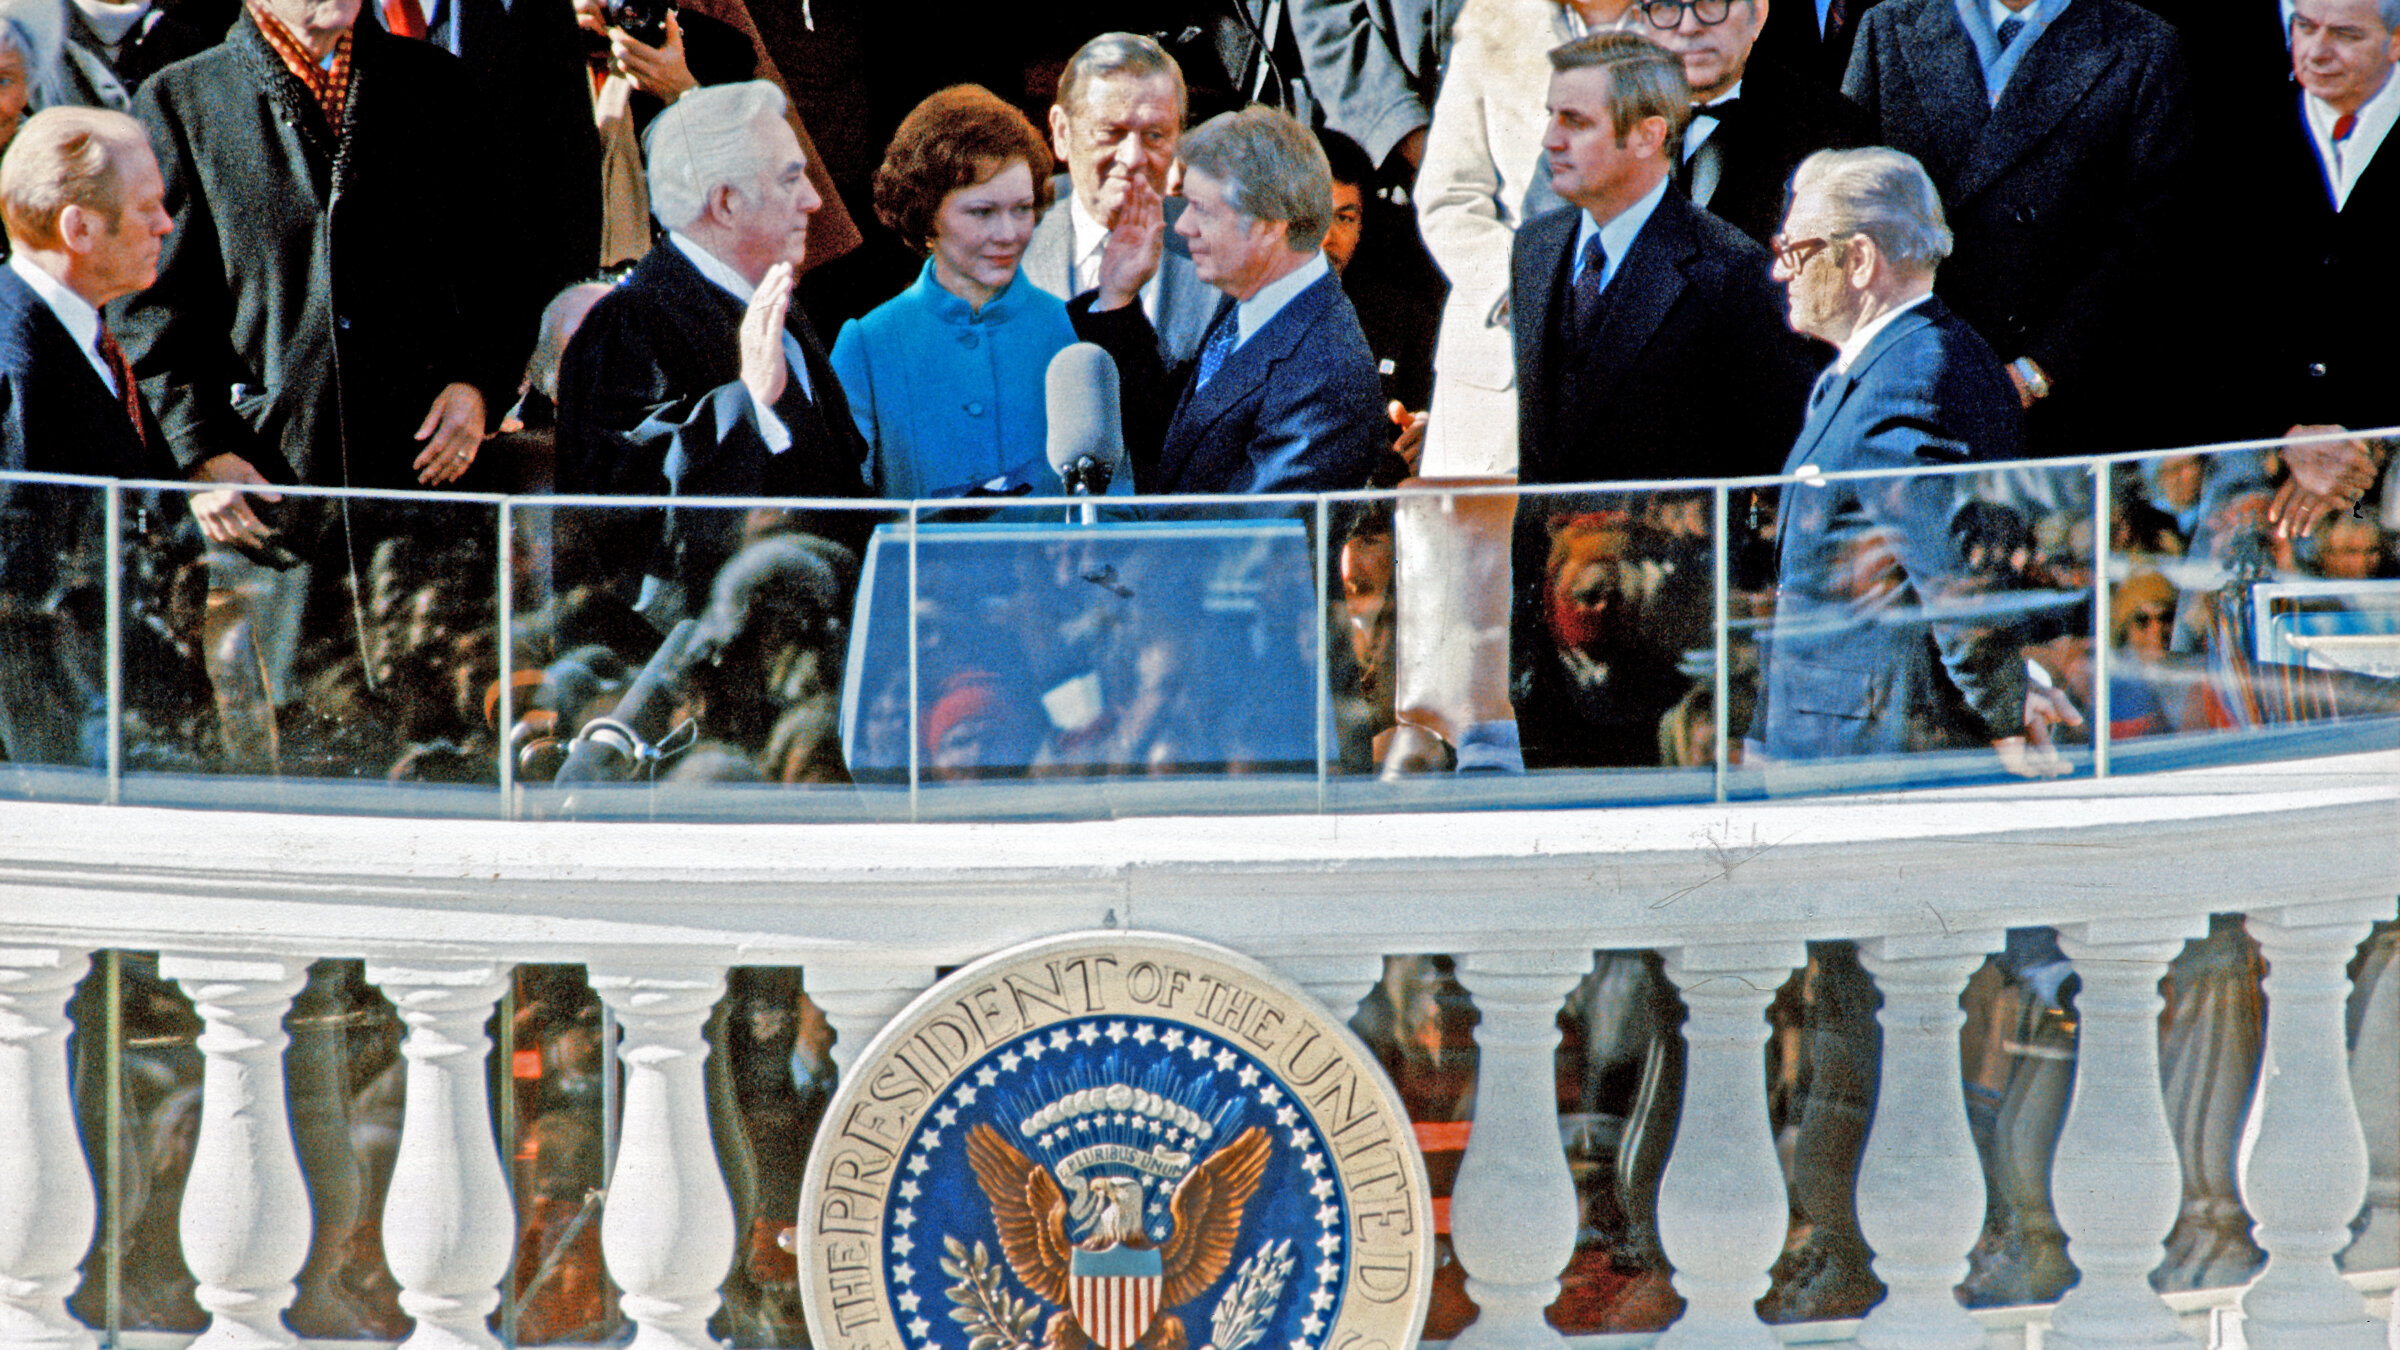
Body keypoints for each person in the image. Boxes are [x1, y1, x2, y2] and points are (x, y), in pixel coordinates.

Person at [1753, 146, 2077, 771]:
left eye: (1793, 252)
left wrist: (2004, 715)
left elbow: (1959, 583)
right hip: (1858, 731)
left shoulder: (1909, 379)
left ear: (1858, 260)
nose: (1779, 273)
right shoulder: (1926, 354)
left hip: (1871, 752)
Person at [556, 80, 867, 627]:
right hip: (701, 681)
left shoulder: (781, 310)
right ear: (724, 202)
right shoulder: (628, 325)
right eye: (792, 179)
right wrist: (750, 403)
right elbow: (637, 546)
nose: (815, 200)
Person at [1842, 0, 2194, 456]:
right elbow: (1847, 209)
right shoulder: (1888, 27)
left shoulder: (2144, 44)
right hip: (1910, 401)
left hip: (2065, 408)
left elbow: (2149, 234)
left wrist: (2036, 370)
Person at [1510, 32, 1811, 488]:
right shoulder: (1535, 248)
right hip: (1545, 558)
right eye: (1551, 117)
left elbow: (1779, 463)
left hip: (1668, 557)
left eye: (1575, 121)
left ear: (1648, 136)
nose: (1551, 140)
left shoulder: (1731, 271)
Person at [829, 85, 1152, 502]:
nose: (1008, 234)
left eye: (1021, 209)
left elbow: (1118, 507)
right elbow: (846, 517)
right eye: (982, 212)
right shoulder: (867, 345)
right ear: (927, 216)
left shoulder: (1077, 331)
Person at [1079, 105, 1383, 500]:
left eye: (1203, 209)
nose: (1184, 226)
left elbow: (1258, 546)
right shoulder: (1251, 308)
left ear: (1271, 224)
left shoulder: (1324, 369)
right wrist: (1118, 301)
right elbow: (1174, 442)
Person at [0, 105, 175, 765]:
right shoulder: (20, 369)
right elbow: (21, 610)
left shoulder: (84, 334)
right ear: (79, 227)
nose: (165, 224)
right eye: (147, 208)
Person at [1415, 0, 1633, 479]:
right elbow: (1447, 197)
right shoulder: (1492, 19)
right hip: (1497, 367)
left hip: (1635, 371)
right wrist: (1528, 292)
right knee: (1472, 549)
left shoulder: (1688, 21)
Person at [1021, 32, 1217, 370]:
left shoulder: (1221, 250)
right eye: (1110, 132)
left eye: (1155, 135)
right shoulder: (1005, 238)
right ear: (1063, 133)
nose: (1134, 157)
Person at [1637, 0, 1873, 245]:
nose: (1688, 26)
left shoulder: (1834, 132)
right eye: (1665, 6)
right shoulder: (1608, 121)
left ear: (1758, 13)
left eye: (1711, 4)